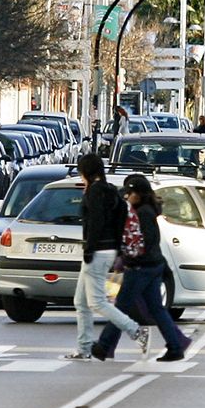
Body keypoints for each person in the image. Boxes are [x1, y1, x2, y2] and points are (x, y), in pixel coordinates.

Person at [93, 173, 191, 362]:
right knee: (156, 309)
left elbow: (141, 243)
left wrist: (128, 258)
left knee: (121, 306)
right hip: (152, 266)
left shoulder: (143, 213)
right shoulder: (147, 210)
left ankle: (104, 346)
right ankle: (176, 345)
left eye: (131, 193)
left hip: (141, 267)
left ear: (140, 194)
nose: (128, 197)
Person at [65, 154, 146, 360]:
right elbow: (120, 219)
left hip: (97, 251)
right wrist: (118, 248)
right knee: (81, 301)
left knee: (97, 302)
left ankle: (135, 330)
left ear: (86, 172)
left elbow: (95, 223)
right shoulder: (111, 191)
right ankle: (84, 348)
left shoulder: (94, 192)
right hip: (109, 250)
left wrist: (89, 249)